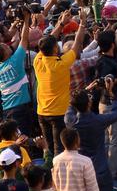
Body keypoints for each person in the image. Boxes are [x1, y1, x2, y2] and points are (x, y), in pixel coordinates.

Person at [64, 77, 117, 191]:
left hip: (80, 170)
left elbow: (70, 107)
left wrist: (86, 90)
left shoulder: (71, 121)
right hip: (100, 170)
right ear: (89, 103)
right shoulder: (98, 121)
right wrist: (110, 92)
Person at [35, 25, 87, 159]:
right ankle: (57, 176)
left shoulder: (38, 60)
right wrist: (82, 24)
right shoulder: (61, 64)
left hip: (42, 112)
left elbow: (46, 41)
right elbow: (77, 45)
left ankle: (49, 175)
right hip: (58, 113)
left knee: (50, 147)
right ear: (55, 48)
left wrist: (61, 24)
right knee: (59, 148)